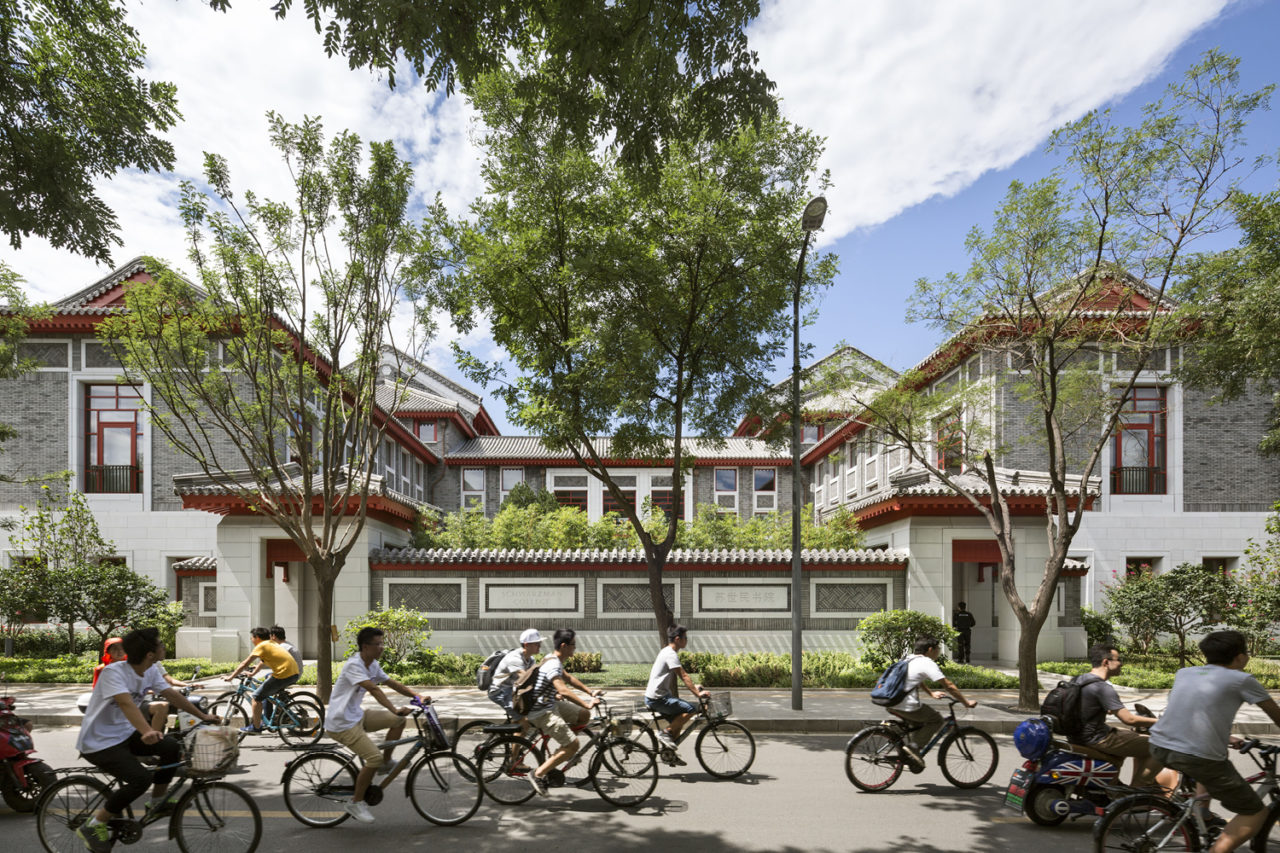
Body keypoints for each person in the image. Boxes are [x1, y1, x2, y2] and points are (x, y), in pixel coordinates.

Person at [74, 627, 218, 853]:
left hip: (123, 734)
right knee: (140, 779)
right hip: (99, 742)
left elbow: (172, 696)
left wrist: (203, 716)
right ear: (150, 654)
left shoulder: (150, 671)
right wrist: (146, 731)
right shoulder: (114, 673)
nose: (164, 647)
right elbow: (126, 703)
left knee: (170, 746)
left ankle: (157, 802)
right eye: (160, 645)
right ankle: (94, 825)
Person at [1149, 630, 1280, 853]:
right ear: (1239, 657)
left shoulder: (1185, 672)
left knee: (1215, 756)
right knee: (1255, 812)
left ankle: (1202, 813)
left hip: (1158, 746)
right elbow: (1276, 715)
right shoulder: (1242, 679)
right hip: (1195, 755)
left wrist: (1226, 737)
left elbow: (1187, 711)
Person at [325, 626, 428, 823]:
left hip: (356, 715)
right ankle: (355, 802)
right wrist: (393, 708)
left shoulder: (371, 664)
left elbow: (391, 683)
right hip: (342, 723)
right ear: (365, 646)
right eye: (378, 644)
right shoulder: (354, 665)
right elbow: (374, 689)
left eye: (382, 643)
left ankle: (386, 762)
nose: (382, 647)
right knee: (373, 758)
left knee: (398, 720)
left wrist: (418, 695)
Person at [1075, 643, 1177, 791]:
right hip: (1098, 738)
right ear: (1106, 662)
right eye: (1118, 660)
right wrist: (1161, 722)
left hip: (1079, 736)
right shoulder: (1102, 688)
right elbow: (1129, 719)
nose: (1121, 663)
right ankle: (1136, 791)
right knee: (1163, 746)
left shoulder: (1080, 680)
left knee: (1132, 736)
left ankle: (1116, 786)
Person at [525, 627, 601, 796]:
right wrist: (587, 703)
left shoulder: (553, 659)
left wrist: (590, 692)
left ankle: (562, 751)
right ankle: (537, 774)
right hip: (541, 712)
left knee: (583, 715)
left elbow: (569, 679)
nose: (575, 648)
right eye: (573, 645)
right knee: (574, 744)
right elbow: (564, 690)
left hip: (551, 704)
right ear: (565, 646)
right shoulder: (552, 663)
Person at [891, 637, 977, 771]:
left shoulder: (909, 658)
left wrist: (931, 693)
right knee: (936, 720)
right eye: (938, 649)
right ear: (930, 650)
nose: (939, 652)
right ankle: (913, 748)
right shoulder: (927, 662)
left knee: (919, 723)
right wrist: (966, 702)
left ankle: (911, 753)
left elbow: (917, 680)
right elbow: (948, 686)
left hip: (891, 701)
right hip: (905, 704)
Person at [644, 625, 709, 766]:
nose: (687, 641)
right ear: (678, 639)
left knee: (679, 721)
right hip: (658, 698)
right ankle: (665, 733)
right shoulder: (670, 654)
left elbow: (683, 676)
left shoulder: (667, 651)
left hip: (658, 696)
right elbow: (683, 675)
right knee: (691, 709)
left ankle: (669, 754)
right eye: (685, 638)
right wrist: (697, 693)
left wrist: (695, 687)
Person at [223, 626, 300, 733]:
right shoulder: (271, 643)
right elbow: (263, 661)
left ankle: (256, 727)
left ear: (257, 638)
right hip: (292, 673)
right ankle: (272, 718)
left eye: (252, 637)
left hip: (283, 674)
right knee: (265, 693)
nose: (251, 639)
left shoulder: (262, 645)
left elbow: (245, 663)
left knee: (256, 697)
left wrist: (230, 677)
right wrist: (253, 673)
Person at [488, 628, 542, 718]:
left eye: (540, 643)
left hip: (511, 690)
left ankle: (515, 727)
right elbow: (525, 678)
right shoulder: (515, 659)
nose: (539, 646)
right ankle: (519, 727)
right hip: (499, 692)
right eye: (537, 644)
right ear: (526, 645)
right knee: (523, 719)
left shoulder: (530, 659)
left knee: (530, 711)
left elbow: (536, 676)